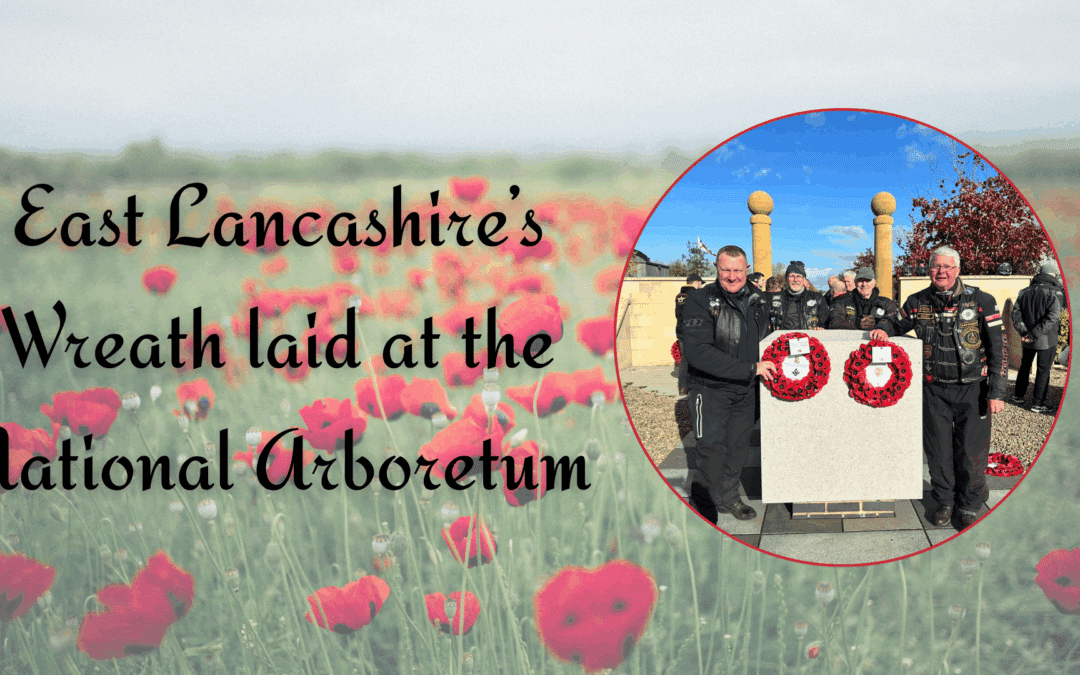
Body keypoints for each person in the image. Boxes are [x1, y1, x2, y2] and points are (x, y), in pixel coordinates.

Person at [870, 246, 1006, 530]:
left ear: (957, 269)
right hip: (934, 391)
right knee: (938, 451)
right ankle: (944, 501)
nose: (941, 272)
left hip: (974, 390)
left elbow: (998, 349)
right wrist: (883, 327)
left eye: (947, 267)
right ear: (929, 269)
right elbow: (896, 323)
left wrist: (997, 391)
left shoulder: (982, 300)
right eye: (935, 267)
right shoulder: (917, 301)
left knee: (971, 452)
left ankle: (968, 504)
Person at [682, 245, 777, 523]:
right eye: (726, 270)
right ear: (716, 268)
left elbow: (767, 338)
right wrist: (750, 368)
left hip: (745, 388)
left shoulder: (758, 299)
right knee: (711, 449)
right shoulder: (699, 300)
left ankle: (729, 497)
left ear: (746, 269)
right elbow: (698, 352)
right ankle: (706, 505)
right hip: (709, 389)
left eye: (737, 270)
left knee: (738, 447)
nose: (732, 276)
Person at [1010, 263, 1061, 413]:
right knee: (1043, 370)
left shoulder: (1024, 291)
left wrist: (1025, 333)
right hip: (1046, 339)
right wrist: (1034, 334)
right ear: (1052, 275)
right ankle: (1038, 404)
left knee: (1024, 367)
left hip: (1027, 338)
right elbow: (1053, 317)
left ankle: (1018, 396)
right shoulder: (1055, 292)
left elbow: (1016, 314)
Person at [768, 261, 828, 331]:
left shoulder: (818, 298)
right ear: (787, 278)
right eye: (792, 276)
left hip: (808, 339)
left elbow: (825, 322)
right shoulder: (774, 298)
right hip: (782, 339)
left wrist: (820, 328)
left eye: (799, 276)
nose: (795, 280)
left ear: (803, 279)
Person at [675, 273, 705, 396]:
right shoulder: (696, 294)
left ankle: (682, 387)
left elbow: (678, 314)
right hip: (694, 330)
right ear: (697, 282)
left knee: (684, 361)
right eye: (700, 283)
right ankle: (696, 385)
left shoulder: (679, 296)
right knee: (697, 359)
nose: (701, 286)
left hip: (681, 331)